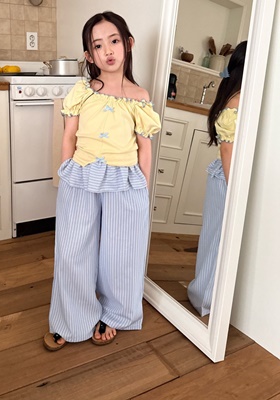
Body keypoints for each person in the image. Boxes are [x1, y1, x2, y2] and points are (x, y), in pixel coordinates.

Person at [43, 11, 161, 351]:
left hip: (125, 181)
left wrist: (142, 190)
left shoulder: (139, 96)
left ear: (128, 44)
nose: (107, 50)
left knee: (121, 251)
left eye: (114, 41)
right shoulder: (83, 91)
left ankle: (116, 313)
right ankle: (71, 319)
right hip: (81, 176)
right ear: (89, 55)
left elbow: (144, 148)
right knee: (72, 249)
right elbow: (69, 135)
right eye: (97, 45)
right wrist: (67, 172)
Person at [187, 41, 247, 317]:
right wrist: (235, 188)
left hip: (222, 175)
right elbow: (227, 150)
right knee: (218, 238)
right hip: (227, 177)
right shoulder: (237, 102)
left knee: (214, 236)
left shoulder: (233, 96)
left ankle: (205, 292)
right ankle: (206, 297)